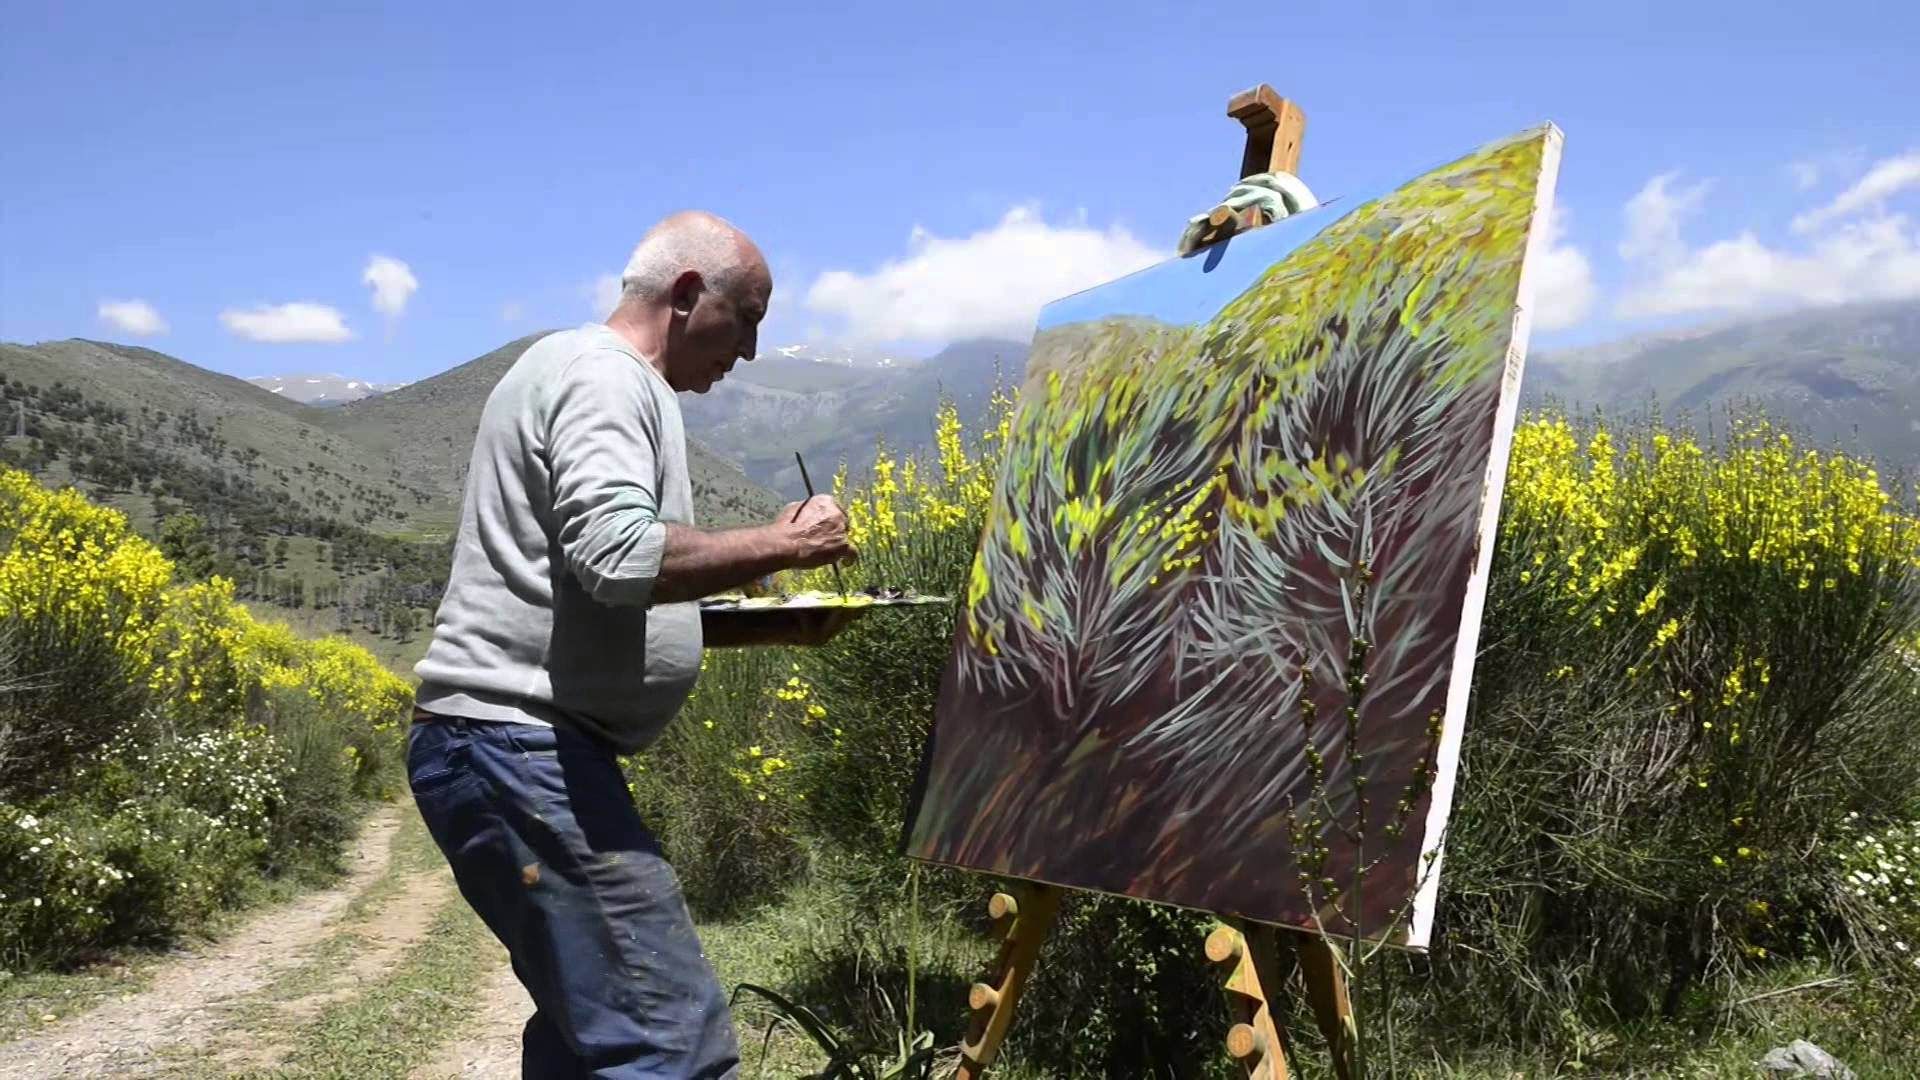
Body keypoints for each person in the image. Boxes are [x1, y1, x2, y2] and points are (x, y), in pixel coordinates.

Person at [408, 210, 855, 1079]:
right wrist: (788, 543)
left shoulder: (576, 370)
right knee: (669, 1042)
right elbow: (617, 557)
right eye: (750, 319)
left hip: (502, 748)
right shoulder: (608, 378)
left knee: (588, 1041)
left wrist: (771, 619)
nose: (751, 354)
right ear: (689, 296)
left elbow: (585, 591)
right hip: (519, 749)